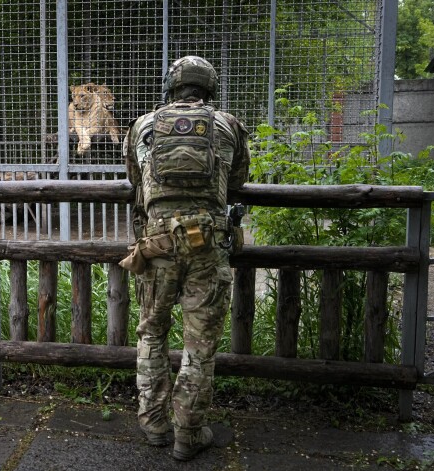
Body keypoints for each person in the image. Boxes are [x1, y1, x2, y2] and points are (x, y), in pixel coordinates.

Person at [120, 56, 250, 461]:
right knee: (200, 344)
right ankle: (187, 434)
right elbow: (239, 180)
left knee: (151, 333)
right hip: (207, 247)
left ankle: (154, 424)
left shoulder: (142, 127)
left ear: (170, 88)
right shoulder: (228, 125)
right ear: (209, 88)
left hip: (156, 246)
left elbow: (135, 180)